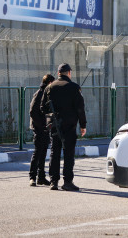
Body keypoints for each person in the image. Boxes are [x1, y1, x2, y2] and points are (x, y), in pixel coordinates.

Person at [41, 63, 86, 191]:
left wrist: (51, 116)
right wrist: (83, 125)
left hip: (54, 125)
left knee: (54, 153)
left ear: (58, 73)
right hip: (69, 126)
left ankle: (53, 181)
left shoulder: (49, 87)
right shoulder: (74, 87)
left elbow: (42, 107)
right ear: (69, 73)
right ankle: (67, 182)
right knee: (68, 153)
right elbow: (80, 109)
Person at [28, 73, 55, 187]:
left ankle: (41, 177)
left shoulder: (46, 93)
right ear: (49, 83)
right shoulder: (39, 94)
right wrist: (42, 126)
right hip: (39, 128)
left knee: (43, 153)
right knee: (38, 152)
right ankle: (32, 177)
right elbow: (33, 112)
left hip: (45, 128)